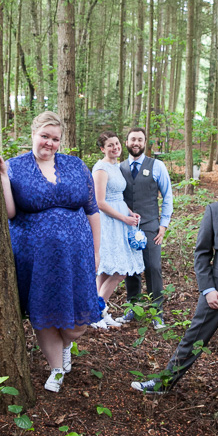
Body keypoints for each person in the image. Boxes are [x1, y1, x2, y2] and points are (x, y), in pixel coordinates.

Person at [132, 158, 218, 415]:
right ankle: (164, 382)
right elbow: (201, 254)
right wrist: (207, 288)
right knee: (193, 338)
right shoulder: (215, 211)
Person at [0, 112, 102, 393]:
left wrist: (96, 251)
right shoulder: (15, 167)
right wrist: (3, 178)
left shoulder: (76, 165)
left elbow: (92, 210)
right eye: (45, 136)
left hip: (77, 258)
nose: (50, 143)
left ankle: (66, 344)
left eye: (55, 138)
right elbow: (9, 212)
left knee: (76, 324)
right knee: (43, 310)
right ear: (33, 134)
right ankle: (56, 368)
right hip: (36, 259)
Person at [119, 126, 173, 327]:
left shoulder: (157, 166)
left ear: (144, 143)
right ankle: (132, 307)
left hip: (151, 225)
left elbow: (167, 196)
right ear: (126, 142)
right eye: (133, 139)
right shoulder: (120, 168)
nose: (136, 143)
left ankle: (157, 312)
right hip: (127, 225)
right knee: (131, 269)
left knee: (153, 267)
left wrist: (163, 225)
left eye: (140, 140)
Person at [91, 130, 144, 328]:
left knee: (105, 271)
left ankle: (99, 313)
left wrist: (130, 213)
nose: (115, 147)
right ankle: (96, 309)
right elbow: (100, 202)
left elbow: (118, 197)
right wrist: (123, 218)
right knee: (119, 270)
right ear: (102, 149)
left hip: (122, 219)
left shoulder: (116, 166)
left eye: (117, 143)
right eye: (110, 145)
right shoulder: (101, 169)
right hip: (109, 223)